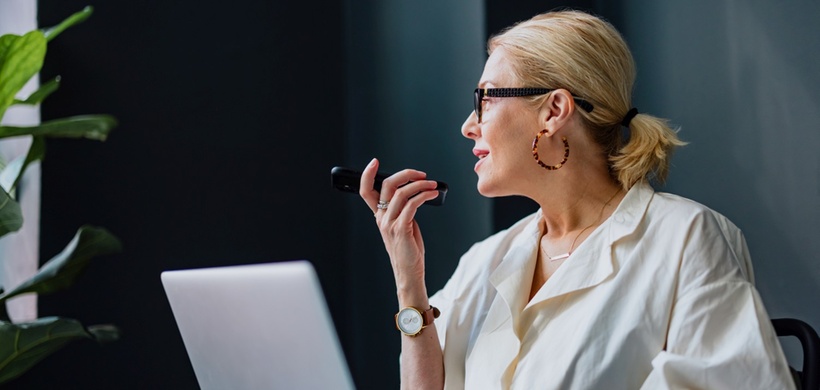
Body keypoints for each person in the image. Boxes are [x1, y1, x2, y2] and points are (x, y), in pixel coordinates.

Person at [358, 9, 793, 390]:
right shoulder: (484, 261)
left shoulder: (684, 239)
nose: (468, 126)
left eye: (485, 99)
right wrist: (409, 282)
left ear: (553, 111)